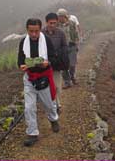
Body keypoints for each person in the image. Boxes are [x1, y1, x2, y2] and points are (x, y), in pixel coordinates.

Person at [18, 18, 59, 147]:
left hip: (43, 77)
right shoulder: (23, 42)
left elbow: (53, 57)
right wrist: (22, 66)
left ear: (40, 29)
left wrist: (48, 63)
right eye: (31, 31)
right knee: (29, 107)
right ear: (27, 30)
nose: (34, 34)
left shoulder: (46, 40)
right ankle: (32, 133)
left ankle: (53, 119)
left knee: (48, 104)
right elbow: (20, 59)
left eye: (36, 31)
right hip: (29, 78)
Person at [42, 13, 69, 115]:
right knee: (48, 86)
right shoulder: (41, 33)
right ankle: (55, 105)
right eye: (50, 23)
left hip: (56, 64)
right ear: (46, 22)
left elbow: (64, 46)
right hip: (44, 64)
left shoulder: (61, 33)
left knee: (57, 86)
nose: (52, 25)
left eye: (54, 23)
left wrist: (62, 58)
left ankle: (56, 103)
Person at [56, 8, 79, 88]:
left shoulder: (72, 23)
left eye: (61, 16)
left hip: (72, 45)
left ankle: (72, 76)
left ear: (65, 16)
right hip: (62, 48)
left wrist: (76, 43)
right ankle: (67, 81)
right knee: (64, 65)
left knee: (72, 64)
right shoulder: (56, 25)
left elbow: (76, 33)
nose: (60, 18)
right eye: (59, 16)